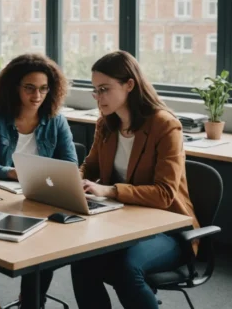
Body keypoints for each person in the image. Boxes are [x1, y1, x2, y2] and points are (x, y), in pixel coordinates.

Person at [71, 51, 199, 309]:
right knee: (81, 261)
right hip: (122, 224)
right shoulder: (105, 124)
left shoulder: (165, 126)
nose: (98, 97)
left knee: (126, 268)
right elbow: (91, 165)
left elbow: (164, 194)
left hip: (168, 230)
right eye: (95, 90)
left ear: (129, 85)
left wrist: (109, 191)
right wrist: (72, 178)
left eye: (105, 89)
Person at [0, 54, 77, 309]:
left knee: (41, 252)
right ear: (15, 87)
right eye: (29, 88)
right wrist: (11, 172)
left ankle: (31, 301)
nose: (37, 96)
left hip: (42, 199)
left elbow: (70, 164)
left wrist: (40, 175)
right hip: (2, 199)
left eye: (43, 89)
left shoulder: (56, 120)